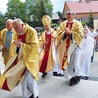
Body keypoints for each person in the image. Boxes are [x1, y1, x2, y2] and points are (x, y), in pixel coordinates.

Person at [0, 18, 39, 98]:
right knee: (27, 80)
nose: (15, 30)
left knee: (27, 80)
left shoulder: (31, 31)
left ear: (22, 25)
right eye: (14, 28)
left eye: (16, 27)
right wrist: (16, 45)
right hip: (22, 59)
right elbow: (14, 43)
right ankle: (33, 95)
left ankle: (32, 95)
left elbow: (35, 46)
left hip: (31, 59)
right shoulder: (16, 32)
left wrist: (21, 45)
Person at [56, 10, 83, 86]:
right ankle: (71, 78)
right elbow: (58, 34)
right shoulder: (63, 24)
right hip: (65, 48)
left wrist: (71, 33)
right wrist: (64, 33)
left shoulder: (78, 24)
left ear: (73, 15)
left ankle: (78, 75)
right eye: (67, 14)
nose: (67, 15)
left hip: (75, 46)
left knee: (75, 63)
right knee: (66, 63)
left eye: (69, 14)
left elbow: (80, 35)